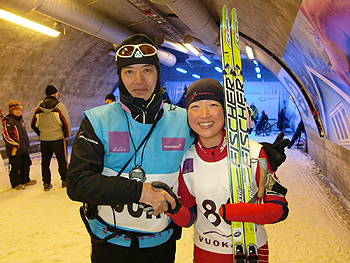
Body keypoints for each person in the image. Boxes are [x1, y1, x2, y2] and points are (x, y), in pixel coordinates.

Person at [66, 34, 194, 263]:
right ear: (120, 76)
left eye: (147, 70)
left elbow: (216, 151)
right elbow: (77, 183)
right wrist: (139, 192)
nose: (139, 81)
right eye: (129, 72)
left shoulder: (183, 120)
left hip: (160, 247)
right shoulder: (98, 120)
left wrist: (257, 156)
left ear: (157, 73)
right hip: (110, 246)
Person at [168, 79, 289, 263]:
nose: (204, 114)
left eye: (213, 105)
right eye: (195, 106)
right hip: (205, 252)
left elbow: (279, 210)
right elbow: (188, 219)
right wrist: (172, 207)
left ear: (225, 111)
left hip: (252, 250)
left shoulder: (255, 152)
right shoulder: (186, 159)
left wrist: (232, 212)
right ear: (187, 113)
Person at [31, 85, 71, 191]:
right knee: (62, 160)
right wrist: (66, 136)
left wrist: (42, 133)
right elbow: (65, 122)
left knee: (45, 162)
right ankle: (65, 180)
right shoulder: (59, 106)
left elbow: (33, 123)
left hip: (45, 139)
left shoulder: (39, 106)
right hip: (58, 138)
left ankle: (47, 183)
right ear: (55, 94)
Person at [2, 101, 37, 190]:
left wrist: (25, 144)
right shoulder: (8, 121)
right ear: (11, 111)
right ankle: (15, 183)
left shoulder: (21, 120)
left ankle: (25, 179)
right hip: (15, 149)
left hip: (23, 148)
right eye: (16, 110)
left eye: (19, 109)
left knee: (26, 164)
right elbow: (6, 136)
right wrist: (16, 145)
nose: (18, 111)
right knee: (15, 166)